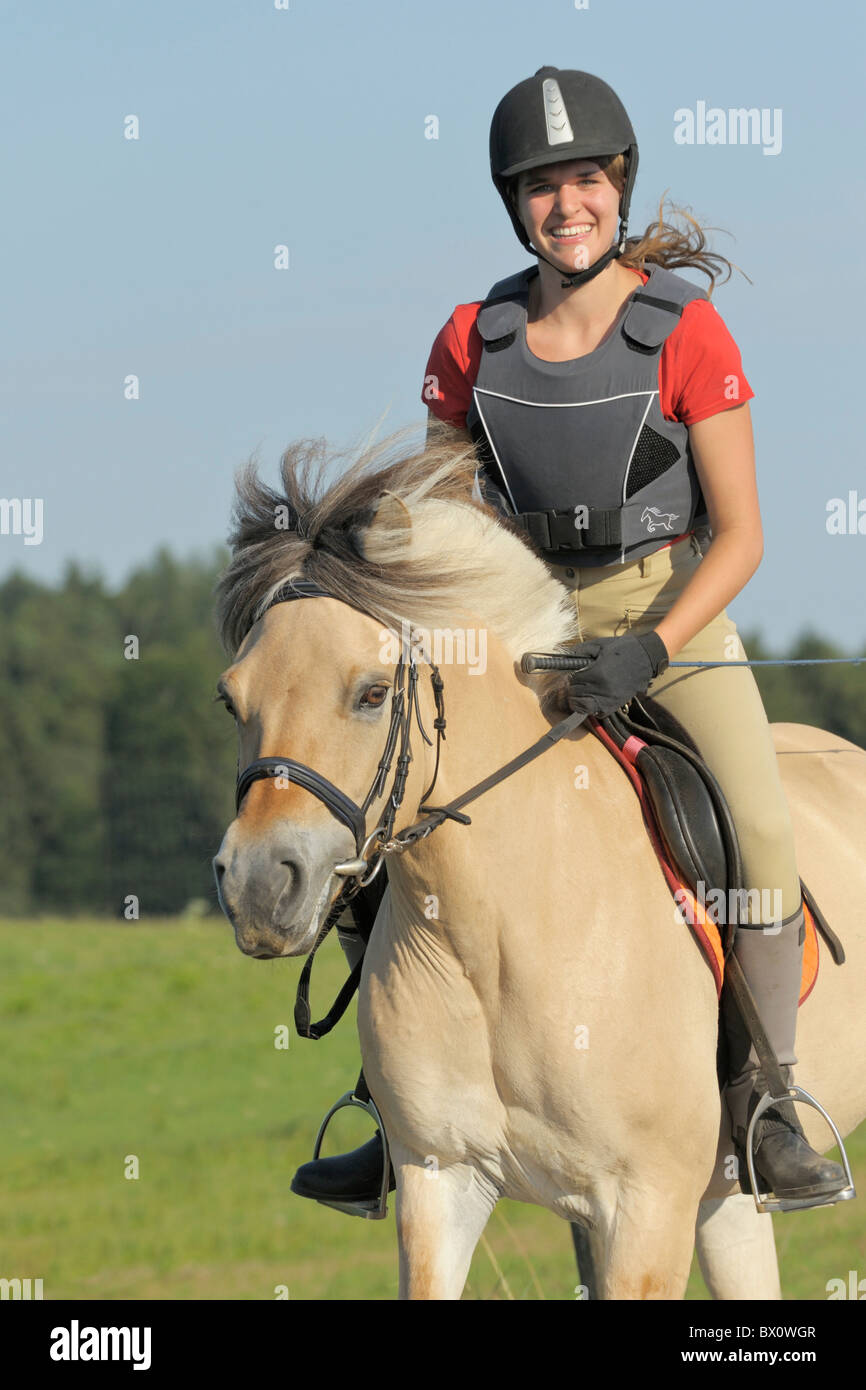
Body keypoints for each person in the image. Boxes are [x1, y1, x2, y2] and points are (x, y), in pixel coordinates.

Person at [291, 66, 848, 1212]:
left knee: (749, 823)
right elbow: (453, 517)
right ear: (513, 204)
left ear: (618, 185)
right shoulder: (470, 338)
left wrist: (649, 648)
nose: (566, 205)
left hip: (668, 615)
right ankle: (389, 1107)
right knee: (392, 806)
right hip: (516, 625)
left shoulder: (685, 330)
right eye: (541, 187)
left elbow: (740, 537)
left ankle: (768, 1097)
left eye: (585, 180)